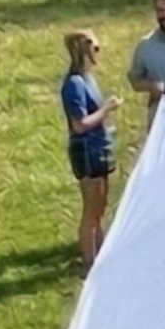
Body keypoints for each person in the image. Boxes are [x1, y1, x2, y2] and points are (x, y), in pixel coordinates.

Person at [58, 29, 118, 269]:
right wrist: (107, 109)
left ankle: (100, 254)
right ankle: (89, 261)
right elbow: (80, 124)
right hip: (87, 151)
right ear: (83, 51)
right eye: (95, 48)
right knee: (91, 209)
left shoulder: (88, 79)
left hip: (100, 147)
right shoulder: (74, 84)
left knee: (100, 206)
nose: (98, 53)